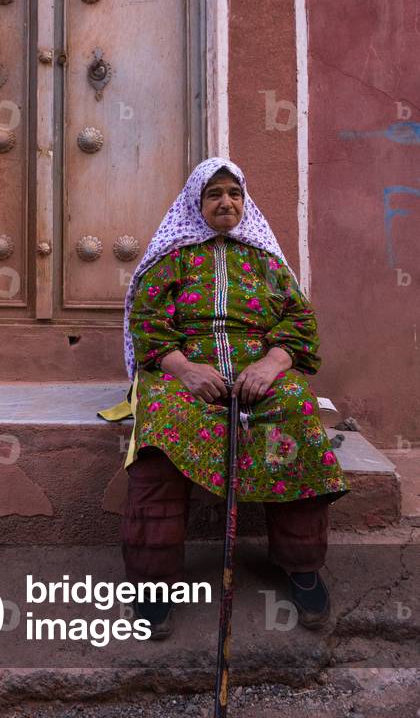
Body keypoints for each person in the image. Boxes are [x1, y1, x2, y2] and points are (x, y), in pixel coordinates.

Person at [99, 157, 350, 639]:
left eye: (234, 193)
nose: (225, 202)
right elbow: (147, 324)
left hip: (258, 374)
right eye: (214, 194)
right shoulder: (172, 257)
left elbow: (300, 324)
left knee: (294, 411)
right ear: (197, 203)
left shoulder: (266, 260)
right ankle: (153, 583)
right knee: (160, 440)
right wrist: (186, 371)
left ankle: (301, 566)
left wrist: (272, 364)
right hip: (183, 375)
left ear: (245, 201)